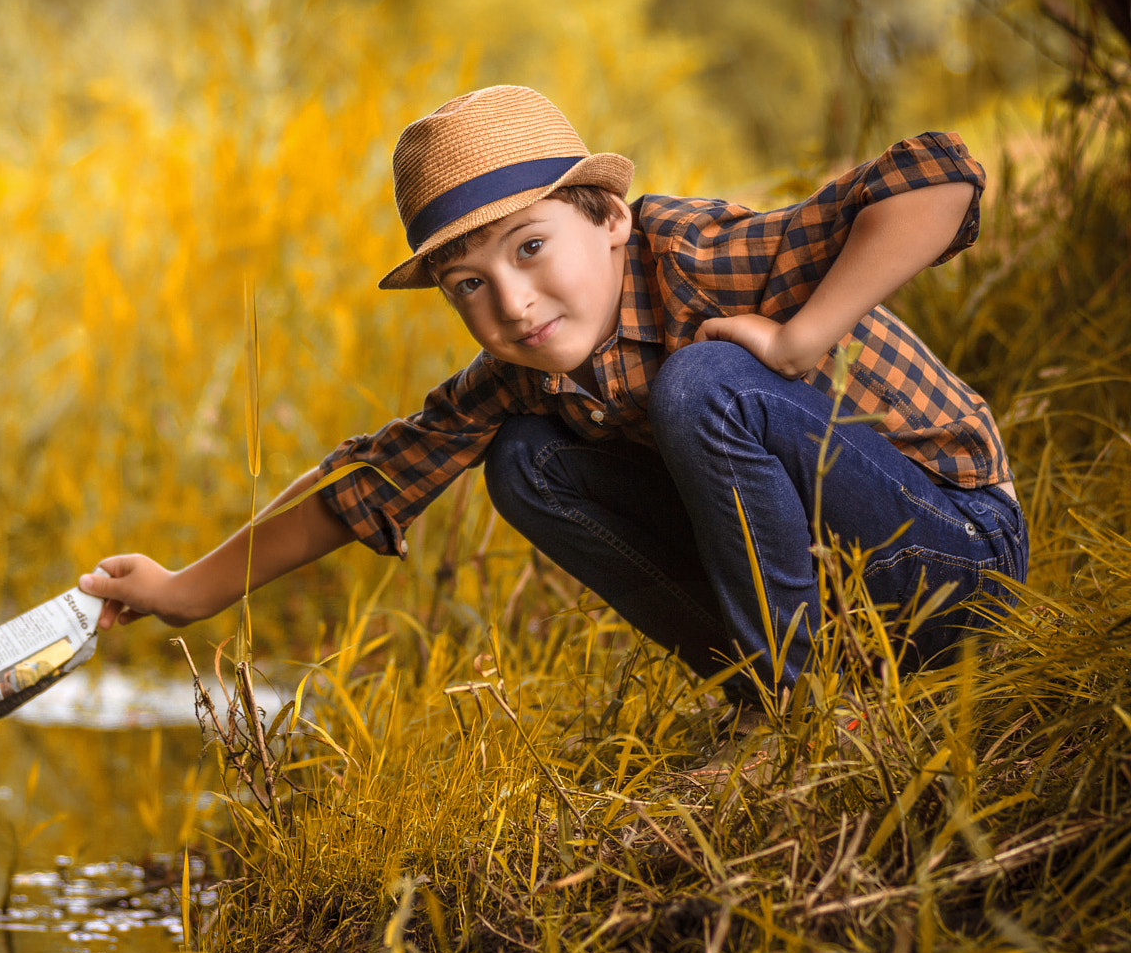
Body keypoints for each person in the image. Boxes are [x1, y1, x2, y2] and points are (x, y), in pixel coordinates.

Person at [78, 84, 1028, 713]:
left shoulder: (701, 255)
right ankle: (775, 687)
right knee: (523, 461)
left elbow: (938, 175)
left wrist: (802, 335)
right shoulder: (527, 368)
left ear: (610, 219)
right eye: (469, 284)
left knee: (704, 381)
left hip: (953, 560)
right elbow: (369, 483)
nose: (512, 301)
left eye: (530, 248)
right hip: (851, 610)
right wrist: (182, 591)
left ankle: (796, 706)